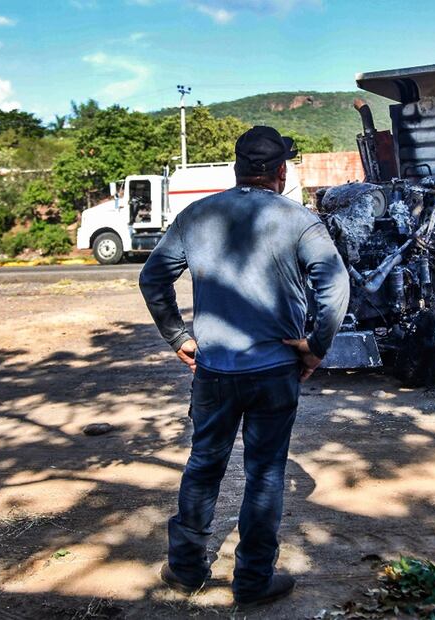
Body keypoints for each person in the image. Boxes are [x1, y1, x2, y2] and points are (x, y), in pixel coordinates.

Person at [139, 126, 350, 609]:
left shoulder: (197, 216)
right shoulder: (299, 220)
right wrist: (315, 347)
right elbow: (335, 289)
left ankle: (187, 568)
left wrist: (179, 338)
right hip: (275, 370)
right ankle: (253, 579)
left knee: (204, 465)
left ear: (238, 168)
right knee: (266, 473)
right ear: (281, 172)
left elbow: (153, 278)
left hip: (213, 371)